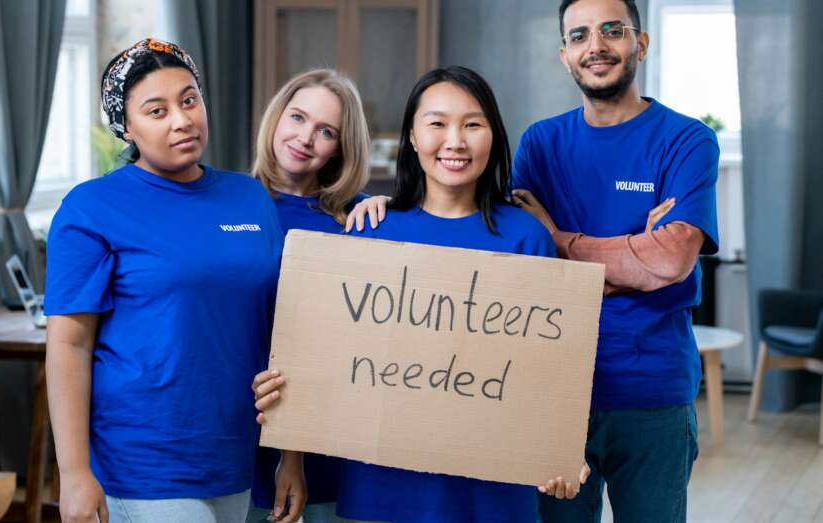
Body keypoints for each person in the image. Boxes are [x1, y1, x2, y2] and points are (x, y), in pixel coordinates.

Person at [254, 66, 588, 523]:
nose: (455, 141)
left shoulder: (526, 237)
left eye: (472, 124)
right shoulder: (370, 230)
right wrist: (290, 451)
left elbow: (547, 369)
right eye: (437, 123)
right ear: (411, 136)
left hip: (492, 493)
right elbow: (327, 357)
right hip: (382, 491)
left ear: (494, 134)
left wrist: (561, 448)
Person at [44, 38, 302, 523]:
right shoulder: (91, 208)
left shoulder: (248, 198)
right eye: (156, 110)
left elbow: (281, 332)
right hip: (140, 462)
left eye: (189, 99)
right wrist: (75, 473)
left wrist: (291, 456)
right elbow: (69, 346)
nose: (181, 119)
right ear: (127, 126)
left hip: (236, 456)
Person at [507, 1, 719, 521]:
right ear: (565, 55)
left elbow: (670, 261)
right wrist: (633, 258)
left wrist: (558, 240)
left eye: (612, 30)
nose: (595, 45)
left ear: (640, 44)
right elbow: (522, 267)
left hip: (652, 391)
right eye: (579, 36)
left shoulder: (687, 140)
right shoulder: (540, 143)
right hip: (551, 390)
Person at [247, 69, 373, 523]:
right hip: (237, 426)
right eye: (297, 117)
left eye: (326, 131)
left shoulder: (358, 220)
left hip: (326, 432)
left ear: (341, 146)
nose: (305, 138)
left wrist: (387, 208)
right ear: (277, 117)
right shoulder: (231, 203)